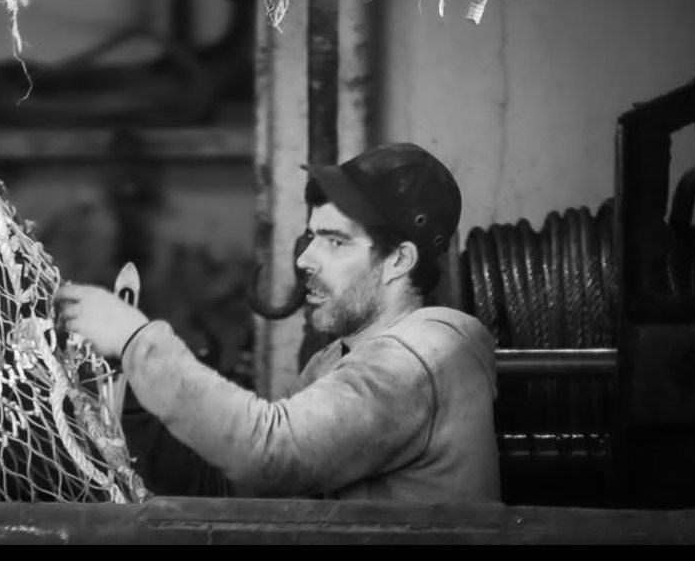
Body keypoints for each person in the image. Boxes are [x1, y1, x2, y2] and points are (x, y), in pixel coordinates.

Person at [55, 142, 500, 502]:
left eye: (335, 242)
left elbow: (271, 452)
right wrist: (136, 399)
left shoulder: (424, 356)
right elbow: (243, 490)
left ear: (399, 260)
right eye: (312, 237)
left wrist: (138, 341)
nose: (305, 258)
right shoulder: (333, 362)